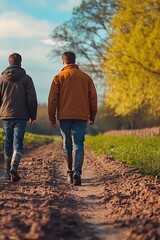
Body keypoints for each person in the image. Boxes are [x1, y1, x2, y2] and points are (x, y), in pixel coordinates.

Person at [48, 51, 97, 186]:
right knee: (78, 144)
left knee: (66, 145)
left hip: (64, 116)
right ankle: (77, 172)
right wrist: (92, 115)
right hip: (81, 117)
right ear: (75, 61)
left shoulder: (58, 77)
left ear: (63, 61)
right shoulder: (86, 78)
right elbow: (93, 99)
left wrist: (52, 117)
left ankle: (69, 173)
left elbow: (52, 100)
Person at [0, 53, 38, 182]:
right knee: (18, 143)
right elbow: (32, 99)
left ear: (9, 62)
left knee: (8, 143)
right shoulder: (27, 79)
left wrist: (2, 107)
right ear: (20, 63)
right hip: (22, 116)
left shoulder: (0, 79)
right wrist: (32, 115)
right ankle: (14, 167)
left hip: (6, 116)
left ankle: (7, 174)